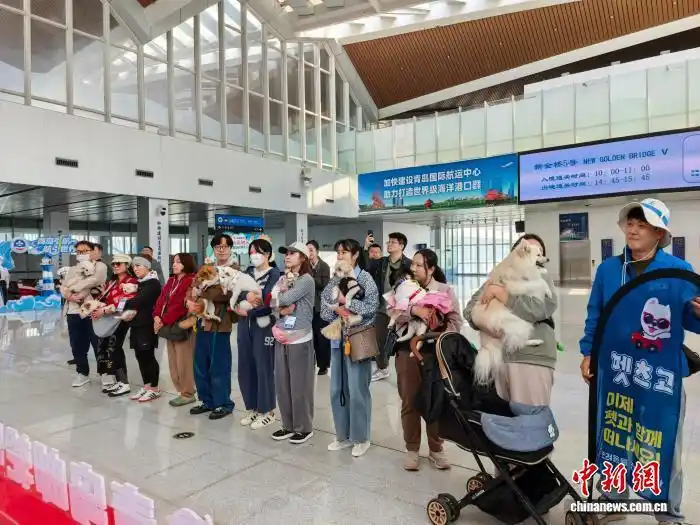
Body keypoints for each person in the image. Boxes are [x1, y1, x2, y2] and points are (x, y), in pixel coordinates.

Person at [579, 199, 700, 525]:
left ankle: (669, 514)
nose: (632, 230)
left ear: (659, 233)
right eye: (630, 223)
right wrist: (588, 352)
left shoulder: (679, 271)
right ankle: (613, 500)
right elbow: (596, 314)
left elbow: (691, 320)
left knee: (662, 440)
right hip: (617, 371)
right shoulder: (609, 270)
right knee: (615, 434)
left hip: (658, 376)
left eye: (642, 225)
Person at [463, 234, 557, 406]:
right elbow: (469, 310)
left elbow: (541, 308)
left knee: (530, 416)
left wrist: (502, 295)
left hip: (531, 357)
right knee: (505, 416)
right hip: (501, 359)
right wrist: (489, 325)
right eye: (526, 248)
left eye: (539, 251)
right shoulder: (499, 277)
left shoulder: (542, 277)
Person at [391, 249, 462, 471]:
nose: (413, 268)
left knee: (435, 400)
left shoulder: (444, 290)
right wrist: (414, 309)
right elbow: (392, 313)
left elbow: (456, 321)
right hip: (407, 351)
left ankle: (436, 449)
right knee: (409, 400)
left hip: (435, 354)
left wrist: (440, 333)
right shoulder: (403, 286)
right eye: (412, 264)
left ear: (431, 268)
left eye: (419, 265)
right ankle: (412, 449)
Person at [322, 238, 380, 458]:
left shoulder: (365, 278)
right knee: (337, 388)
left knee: (357, 390)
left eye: (344, 252)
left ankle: (361, 437)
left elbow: (372, 306)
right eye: (338, 252)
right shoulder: (335, 278)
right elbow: (324, 308)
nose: (340, 256)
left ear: (355, 255)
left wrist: (347, 303)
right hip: (338, 338)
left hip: (359, 337)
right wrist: (335, 310)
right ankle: (342, 435)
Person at [269, 242, 316, 444]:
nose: (287, 256)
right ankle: (287, 425)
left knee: (300, 384)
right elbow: (272, 303)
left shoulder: (306, 280)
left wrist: (279, 300)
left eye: (292, 253)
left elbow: (284, 298)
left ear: (303, 258)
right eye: (286, 253)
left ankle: (303, 427)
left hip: (300, 337)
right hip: (282, 335)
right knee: (283, 383)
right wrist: (280, 307)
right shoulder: (282, 278)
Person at [187, 234, 237, 420]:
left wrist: (201, 291)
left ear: (230, 249)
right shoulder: (207, 267)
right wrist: (190, 300)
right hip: (202, 322)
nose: (221, 250)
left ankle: (223, 403)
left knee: (219, 365)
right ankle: (206, 400)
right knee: (200, 363)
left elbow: (225, 293)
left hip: (220, 324)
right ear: (213, 249)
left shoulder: (234, 269)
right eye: (217, 246)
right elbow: (192, 288)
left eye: (225, 246)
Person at [236, 239, 281, 429]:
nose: (254, 255)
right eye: (251, 252)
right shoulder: (246, 273)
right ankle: (252, 407)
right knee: (245, 366)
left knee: (264, 366)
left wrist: (249, 311)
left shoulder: (276, 274)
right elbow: (235, 293)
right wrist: (246, 296)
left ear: (268, 254)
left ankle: (267, 410)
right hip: (244, 325)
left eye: (258, 252)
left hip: (264, 326)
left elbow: (269, 301)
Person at [364, 231, 412, 382]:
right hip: (382, 307)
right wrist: (366, 248)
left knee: (403, 340)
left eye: (393, 242)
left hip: (403, 310)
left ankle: (407, 369)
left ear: (401, 246)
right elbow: (365, 266)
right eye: (388, 242)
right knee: (378, 339)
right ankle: (382, 368)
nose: (389, 244)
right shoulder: (381, 262)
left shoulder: (409, 264)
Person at [60, 240, 108, 387]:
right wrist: (68, 295)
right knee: (77, 345)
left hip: (92, 310)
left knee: (98, 344)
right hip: (73, 311)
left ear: (92, 251)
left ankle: (105, 373)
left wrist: (74, 288)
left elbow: (94, 280)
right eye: (78, 251)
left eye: (84, 251)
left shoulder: (100, 266)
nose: (81, 254)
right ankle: (82, 373)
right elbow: (63, 286)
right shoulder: (72, 269)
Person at [91, 253, 138, 397]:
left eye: (119, 263)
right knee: (108, 350)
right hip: (109, 319)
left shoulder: (131, 282)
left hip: (121, 319)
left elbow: (125, 303)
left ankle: (124, 383)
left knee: (115, 348)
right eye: (114, 264)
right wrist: (97, 307)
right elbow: (105, 299)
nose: (115, 266)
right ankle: (117, 380)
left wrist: (104, 310)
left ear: (127, 265)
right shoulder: (111, 282)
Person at [154, 253, 197, 407]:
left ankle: (188, 393)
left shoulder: (191, 280)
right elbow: (161, 299)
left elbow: (180, 305)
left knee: (184, 361)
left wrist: (163, 320)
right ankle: (182, 390)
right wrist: (156, 315)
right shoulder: (172, 280)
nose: (174, 264)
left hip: (181, 325)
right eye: (174, 261)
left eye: (178, 262)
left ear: (187, 263)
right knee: (173, 361)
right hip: (168, 325)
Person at [122, 257, 162, 402]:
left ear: (147, 267)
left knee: (148, 356)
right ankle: (147, 386)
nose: (135, 269)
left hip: (147, 325)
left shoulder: (153, 283)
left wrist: (121, 302)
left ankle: (155, 388)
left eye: (138, 266)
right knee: (140, 356)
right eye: (134, 266)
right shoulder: (140, 283)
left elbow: (139, 301)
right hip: (136, 324)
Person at [307, 240, 331, 375]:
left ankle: (323, 365)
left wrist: (309, 277)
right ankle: (311, 363)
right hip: (308, 306)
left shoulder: (324, 266)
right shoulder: (305, 266)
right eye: (307, 250)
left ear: (317, 251)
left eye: (311, 250)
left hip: (320, 307)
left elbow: (324, 284)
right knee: (311, 337)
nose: (309, 253)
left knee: (321, 337)